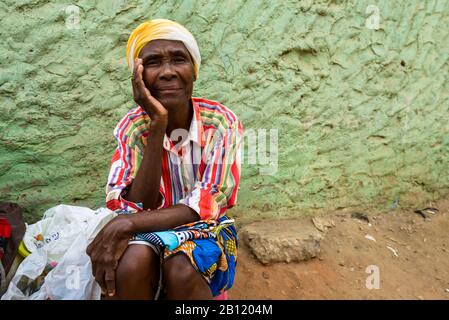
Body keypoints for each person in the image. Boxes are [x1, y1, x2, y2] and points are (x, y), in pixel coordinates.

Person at [86, 19, 243, 300]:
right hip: (144, 225)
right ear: (139, 76)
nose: (168, 72)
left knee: (182, 267)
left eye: (179, 60)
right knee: (130, 264)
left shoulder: (220, 122)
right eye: (154, 62)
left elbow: (209, 202)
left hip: (205, 228)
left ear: (193, 72)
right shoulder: (133, 126)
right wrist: (157, 124)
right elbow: (134, 205)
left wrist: (127, 224)